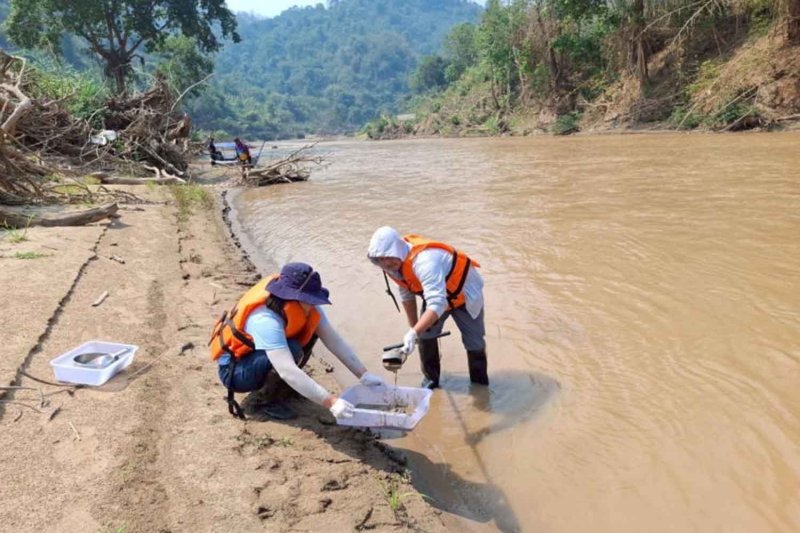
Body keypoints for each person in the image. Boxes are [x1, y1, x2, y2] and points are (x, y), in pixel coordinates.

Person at [209, 262, 385, 420]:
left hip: (256, 357)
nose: (313, 303)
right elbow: (287, 370)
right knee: (292, 350)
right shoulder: (265, 319)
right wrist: (331, 402)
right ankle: (264, 401)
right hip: (236, 372)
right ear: (292, 296)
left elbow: (334, 341)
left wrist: (364, 375)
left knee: (310, 333)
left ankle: (286, 389)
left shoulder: (306, 308)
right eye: (309, 299)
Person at [367, 227, 488, 389]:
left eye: (389, 256)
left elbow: (437, 304)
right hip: (436, 297)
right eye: (381, 259)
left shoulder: (425, 262)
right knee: (425, 336)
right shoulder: (392, 267)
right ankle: (431, 380)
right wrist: (414, 330)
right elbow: (406, 294)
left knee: (474, 342)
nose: (386, 262)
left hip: (465, 295)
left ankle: (479, 385)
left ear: (397, 249)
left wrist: (414, 332)